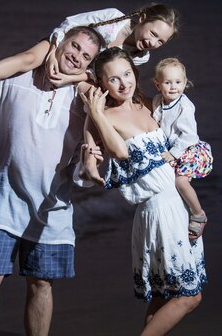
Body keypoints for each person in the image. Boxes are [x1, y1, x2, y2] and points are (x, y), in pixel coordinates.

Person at [0, 26, 105, 336]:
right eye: (74, 47)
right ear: (60, 42)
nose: (76, 57)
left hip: (51, 209)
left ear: (89, 66)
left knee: (41, 283)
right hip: (0, 199)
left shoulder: (83, 100)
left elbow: (79, 167)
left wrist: (88, 172)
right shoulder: (16, 76)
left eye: (86, 56)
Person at [77, 47, 207, 336]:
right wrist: (94, 113)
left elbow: (181, 126)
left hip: (176, 206)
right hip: (158, 212)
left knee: (164, 296)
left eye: (127, 74)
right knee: (189, 297)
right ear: (102, 84)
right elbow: (119, 151)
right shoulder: (107, 116)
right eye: (113, 79)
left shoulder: (148, 103)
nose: (124, 83)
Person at [0, 3, 180, 88]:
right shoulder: (114, 16)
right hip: (64, 45)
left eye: (160, 41)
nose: (153, 42)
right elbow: (71, 23)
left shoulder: (141, 56)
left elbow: (101, 76)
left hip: (83, 72)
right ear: (142, 18)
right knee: (29, 58)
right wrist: (53, 53)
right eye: (153, 33)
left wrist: (71, 79)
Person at [151, 57, 213, 240]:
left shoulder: (184, 106)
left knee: (180, 182)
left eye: (178, 82)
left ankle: (198, 214)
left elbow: (189, 135)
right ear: (157, 85)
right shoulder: (158, 100)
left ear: (185, 83)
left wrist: (173, 154)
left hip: (189, 149)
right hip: (173, 148)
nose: (173, 87)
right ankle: (180, 213)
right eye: (167, 82)